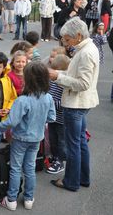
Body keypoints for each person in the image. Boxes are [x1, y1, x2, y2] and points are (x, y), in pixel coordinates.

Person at [49, 17, 99, 192]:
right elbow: (76, 74)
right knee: (80, 142)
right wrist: (59, 72)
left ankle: (71, 181)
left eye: (68, 40)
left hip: (76, 103)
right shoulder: (86, 48)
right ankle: (82, 177)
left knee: (73, 145)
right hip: (82, 102)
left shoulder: (85, 52)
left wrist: (58, 77)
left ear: (78, 35)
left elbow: (82, 83)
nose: (66, 43)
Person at [0, 61, 56, 211]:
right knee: (29, 168)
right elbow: (51, 118)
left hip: (20, 138)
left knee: (16, 168)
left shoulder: (22, 100)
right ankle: (29, 198)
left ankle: (11, 200)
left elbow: (12, 121)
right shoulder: (48, 97)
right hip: (37, 137)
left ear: (27, 79)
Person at [47, 54, 71, 175]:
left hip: (61, 118)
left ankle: (60, 160)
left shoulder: (65, 83)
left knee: (61, 140)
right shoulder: (52, 81)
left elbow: (65, 102)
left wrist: (51, 105)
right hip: (52, 118)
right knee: (52, 138)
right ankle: (55, 156)